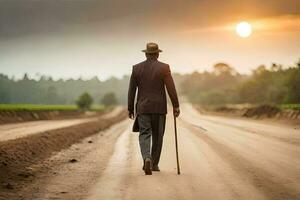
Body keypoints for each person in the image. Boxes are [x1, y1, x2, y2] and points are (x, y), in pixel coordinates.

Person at [128, 42, 180, 175]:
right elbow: (171, 88)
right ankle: (154, 164)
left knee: (145, 134)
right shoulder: (164, 68)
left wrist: (130, 108)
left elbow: (132, 90)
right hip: (159, 108)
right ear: (157, 54)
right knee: (158, 136)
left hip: (143, 108)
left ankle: (147, 158)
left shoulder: (136, 68)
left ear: (146, 54)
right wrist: (176, 105)